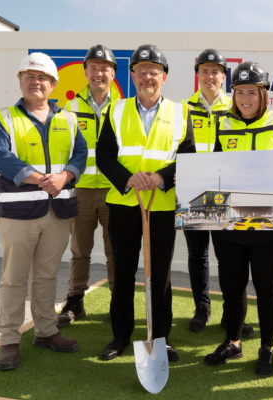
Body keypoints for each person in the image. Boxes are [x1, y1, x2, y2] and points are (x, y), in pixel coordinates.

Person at [96, 44, 195, 362]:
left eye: (154, 71)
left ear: (164, 77)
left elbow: (188, 157)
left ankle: (160, 337)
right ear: (132, 76)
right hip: (125, 204)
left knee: (159, 274)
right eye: (141, 71)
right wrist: (128, 179)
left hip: (163, 206)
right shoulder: (116, 109)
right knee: (123, 272)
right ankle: (119, 336)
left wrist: (161, 177)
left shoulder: (181, 112)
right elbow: (104, 155)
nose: (147, 77)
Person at [204, 61, 273, 377]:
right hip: (229, 224)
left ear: (262, 94)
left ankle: (267, 349)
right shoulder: (223, 124)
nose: (245, 98)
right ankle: (233, 341)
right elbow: (213, 172)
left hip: (268, 226)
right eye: (239, 92)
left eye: (251, 92)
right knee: (231, 286)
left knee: (266, 287)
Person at [0, 53, 88, 370]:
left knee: (47, 275)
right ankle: (8, 340)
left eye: (43, 78)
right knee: (14, 280)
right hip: (17, 214)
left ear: (53, 84)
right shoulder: (4, 117)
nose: (36, 82)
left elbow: (80, 154)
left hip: (58, 211)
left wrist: (66, 177)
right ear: (21, 80)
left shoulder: (69, 119)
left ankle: (46, 330)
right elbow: (0, 156)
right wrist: (38, 179)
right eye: (29, 76)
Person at [182, 49, 254, 337]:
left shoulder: (237, 107)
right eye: (204, 71)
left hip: (228, 195)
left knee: (229, 257)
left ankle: (231, 312)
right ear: (197, 74)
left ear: (224, 76)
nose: (209, 76)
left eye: (215, 71)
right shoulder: (182, 107)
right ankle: (202, 308)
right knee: (197, 254)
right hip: (194, 192)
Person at [57, 45, 121, 328]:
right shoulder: (68, 107)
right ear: (85, 71)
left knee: (116, 251)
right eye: (93, 67)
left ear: (113, 73)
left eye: (104, 67)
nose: (98, 73)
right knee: (79, 251)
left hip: (115, 191)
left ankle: (118, 302)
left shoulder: (124, 108)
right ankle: (75, 300)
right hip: (80, 190)